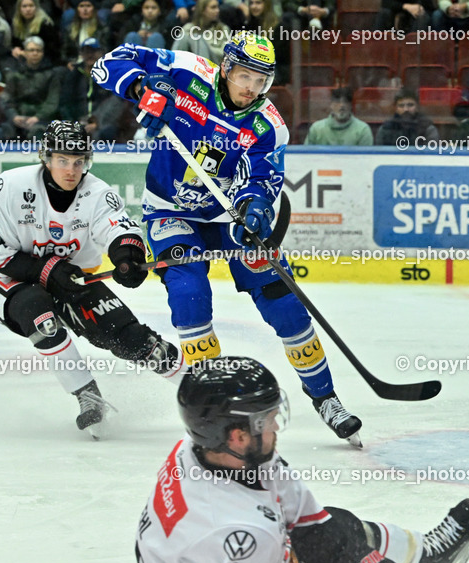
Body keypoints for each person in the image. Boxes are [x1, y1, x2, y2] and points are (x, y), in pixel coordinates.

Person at [135, 356, 469, 563]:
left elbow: (312, 525)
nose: (275, 426)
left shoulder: (203, 450)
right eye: (266, 420)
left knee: (342, 526)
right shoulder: (234, 533)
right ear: (237, 436)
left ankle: (427, 557)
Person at [93, 34, 366, 445]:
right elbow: (109, 63)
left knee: (284, 302)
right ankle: (213, 399)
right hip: (171, 209)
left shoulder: (267, 125)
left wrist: (253, 209)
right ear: (225, 68)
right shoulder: (185, 70)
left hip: (226, 215)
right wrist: (138, 88)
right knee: (189, 295)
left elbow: (263, 180)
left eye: (261, 81)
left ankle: (326, 398)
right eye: (244, 76)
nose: (250, 89)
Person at [0, 121, 183, 436]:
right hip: (7, 282)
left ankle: (198, 388)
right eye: (62, 160)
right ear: (46, 158)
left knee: (130, 337)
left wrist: (127, 255)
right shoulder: (11, 187)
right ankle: (89, 398)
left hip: (74, 281)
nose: (71, 170)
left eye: (78, 162)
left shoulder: (97, 192)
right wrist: (49, 270)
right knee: (42, 315)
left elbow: (118, 227)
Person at [0, 36, 60, 140]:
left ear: (42, 53)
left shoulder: (51, 74)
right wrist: (14, 116)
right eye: (31, 50)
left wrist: (37, 117)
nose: (35, 53)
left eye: (38, 50)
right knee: (5, 130)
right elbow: (7, 100)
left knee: (38, 132)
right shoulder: (15, 74)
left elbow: (52, 102)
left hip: (42, 119)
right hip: (18, 118)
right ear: (25, 53)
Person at [305, 86, 373, 146]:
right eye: (337, 101)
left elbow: (366, 159)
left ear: (351, 106)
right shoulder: (316, 129)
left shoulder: (363, 130)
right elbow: (305, 155)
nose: (342, 105)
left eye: (346, 101)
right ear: (331, 105)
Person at [375, 89, 440, 146]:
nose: (406, 109)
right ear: (395, 108)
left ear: (417, 107)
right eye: (401, 105)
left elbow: (430, 155)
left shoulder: (428, 129)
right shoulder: (385, 129)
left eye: (410, 105)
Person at [9, 0, 60, 66]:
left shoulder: (45, 24)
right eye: (24, 6)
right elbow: (15, 43)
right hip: (22, 59)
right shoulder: (16, 23)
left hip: (44, 60)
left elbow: (53, 50)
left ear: (36, 7)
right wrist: (15, 49)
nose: (28, 9)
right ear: (19, 9)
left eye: (31, 6)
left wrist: (27, 53)